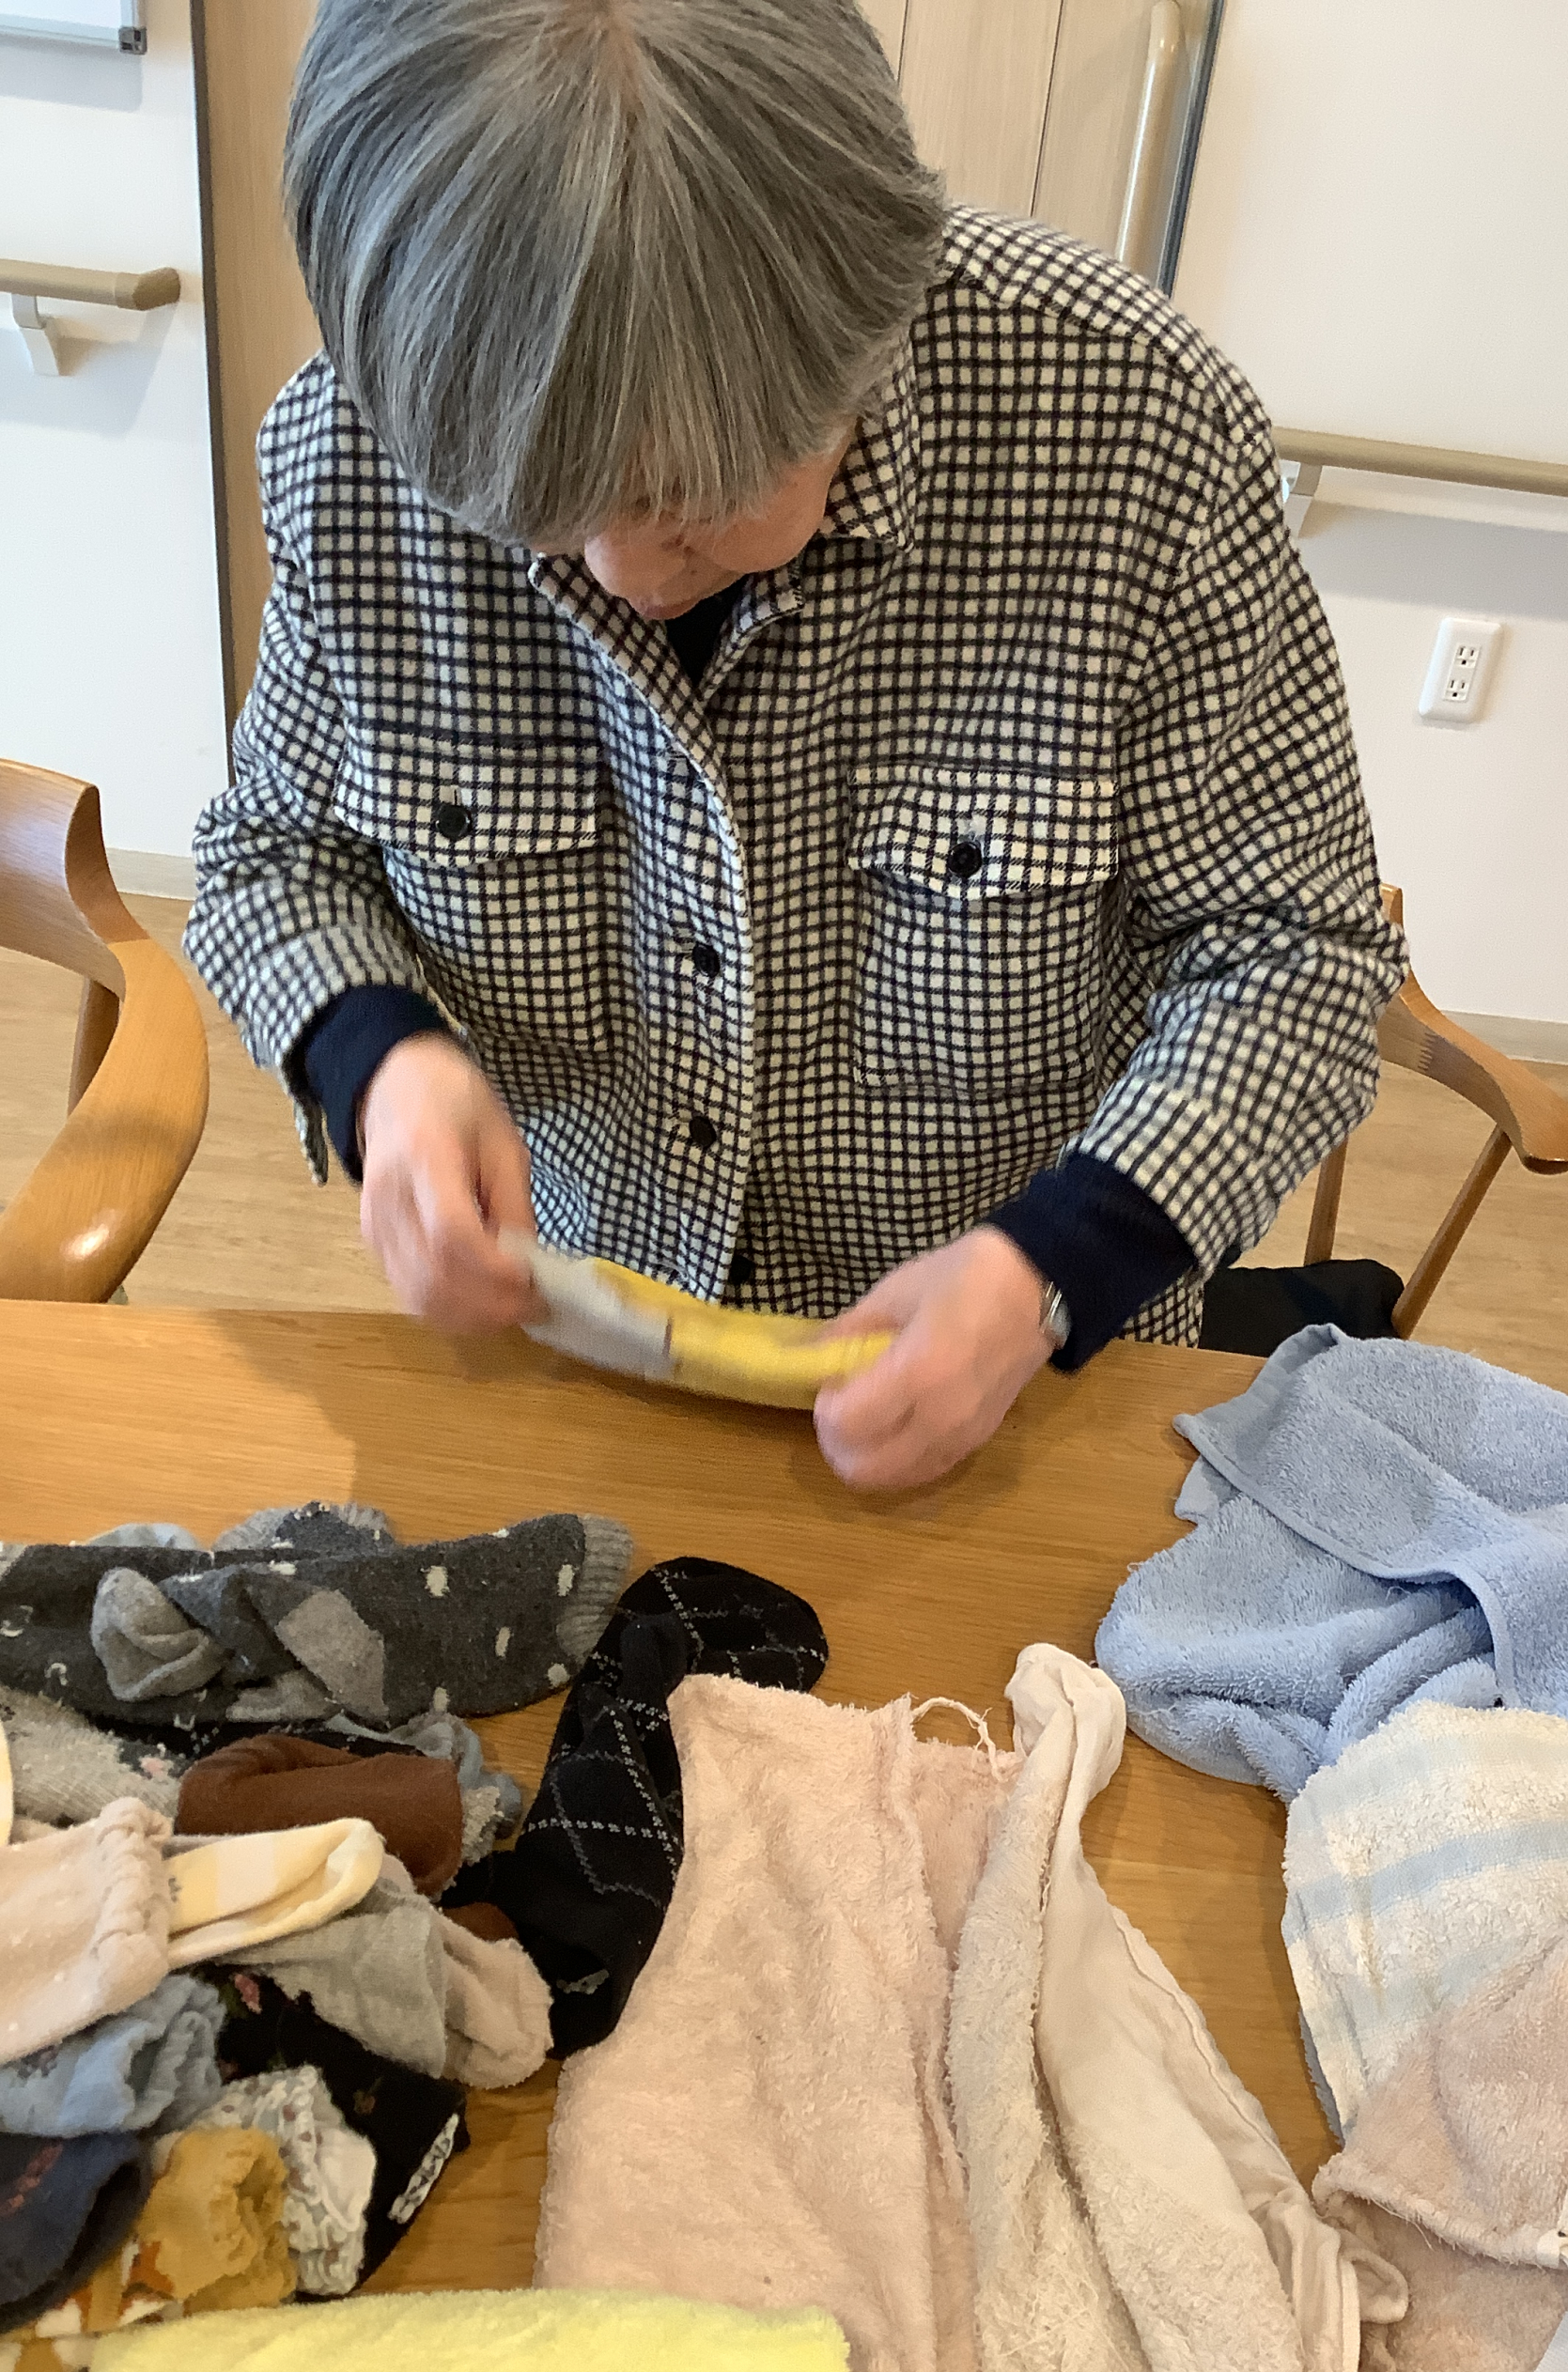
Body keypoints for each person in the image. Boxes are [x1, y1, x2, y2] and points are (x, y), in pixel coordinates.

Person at [186, 0, 1406, 1493]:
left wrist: (1055, 1262)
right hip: (584, 1354)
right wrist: (379, 1058)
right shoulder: (353, 449)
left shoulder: (1137, 430)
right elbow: (273, 858)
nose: (625, 575)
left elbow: (1298, 955)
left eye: (696, 498)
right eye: (541, 514)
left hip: (1022, 1380)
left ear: (865, 343)